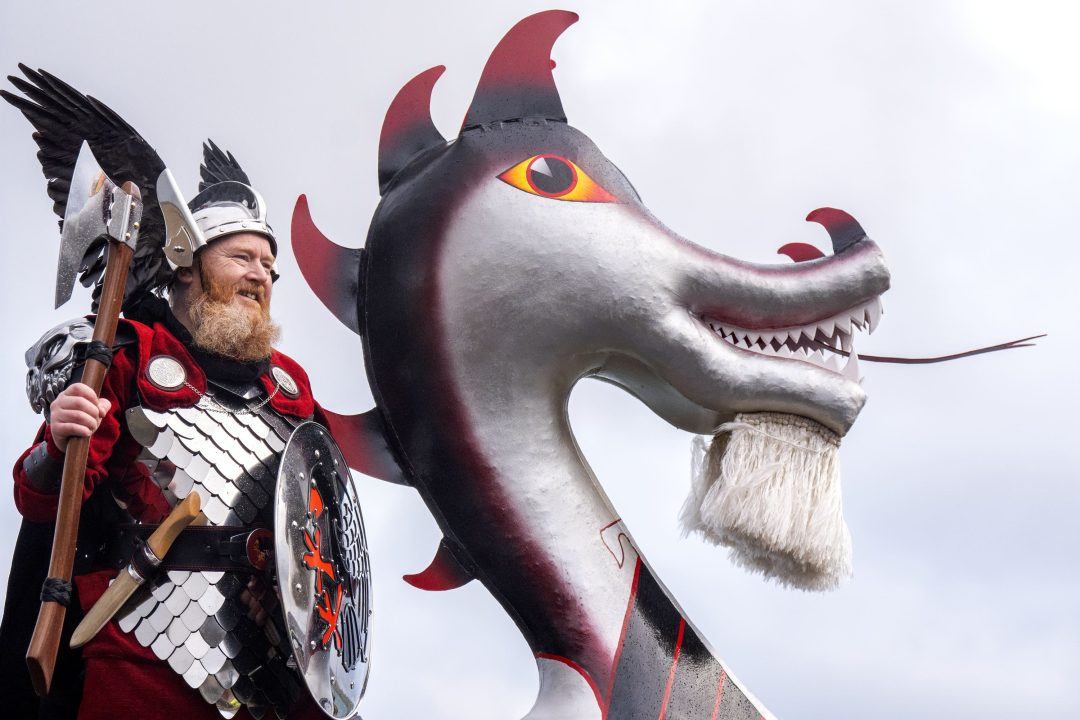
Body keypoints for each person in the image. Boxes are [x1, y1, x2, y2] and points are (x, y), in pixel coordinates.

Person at [1, 67, 338, 720]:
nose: (262, 274)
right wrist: (60, 436)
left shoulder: (291, 391)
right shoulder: (130, 354)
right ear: (188, 267)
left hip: (273, 664)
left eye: (269, 266)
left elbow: (324, 516)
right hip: (142, 654)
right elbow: (44, 495)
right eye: (242, 258)